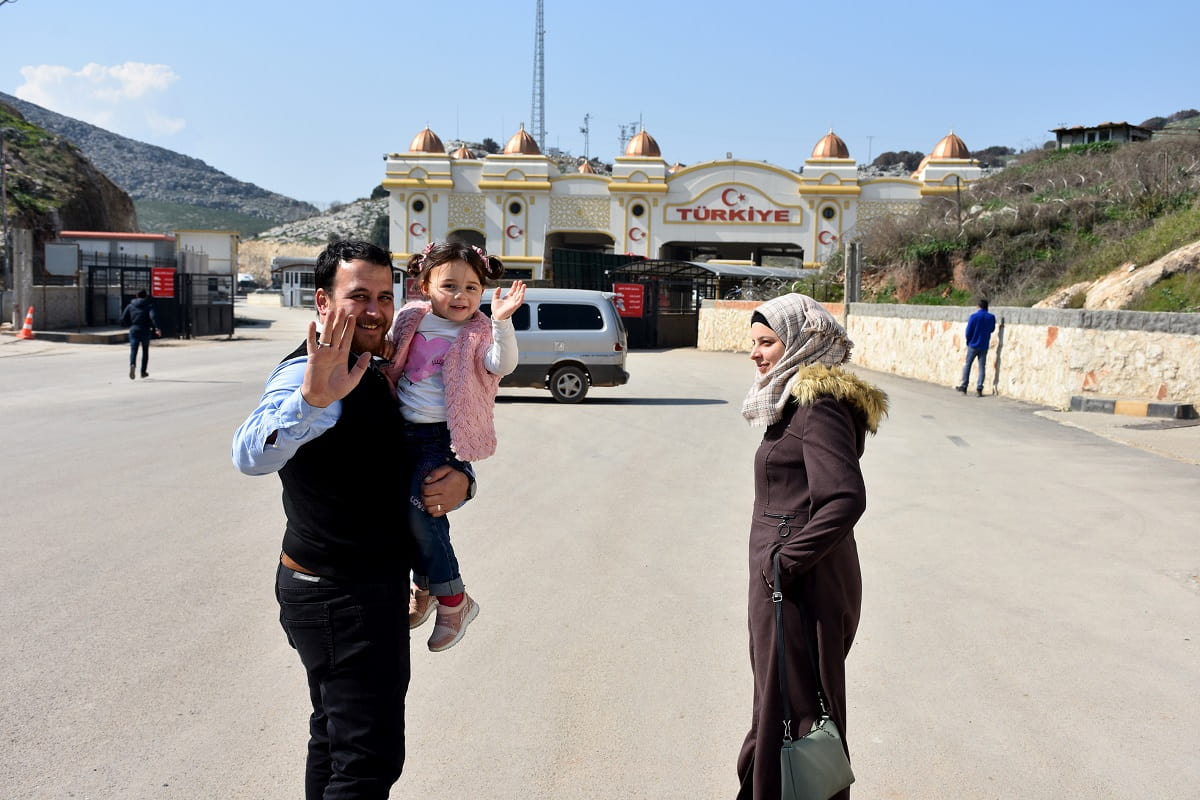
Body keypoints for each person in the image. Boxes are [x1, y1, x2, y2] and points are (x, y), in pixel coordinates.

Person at [231, 240, 474, 799]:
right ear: (323, 300)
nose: (374, 310)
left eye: (384, 296)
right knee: (368, 760)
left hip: (362, 588)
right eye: (358, 295)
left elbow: (410, 461)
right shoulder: (308, 375)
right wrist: (312, 402)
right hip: (338, 594)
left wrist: (462, 481)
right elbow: (250, 455)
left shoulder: (378, 366)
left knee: (337, 741)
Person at [736, 294, 887, 800]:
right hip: (788, 581)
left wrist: (785, 561)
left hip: (801, 586)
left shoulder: (817, 404)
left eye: (767, 342)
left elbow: (844, 497)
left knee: (798, 711)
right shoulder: (793, 400)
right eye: (753, 343)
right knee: (779, 703)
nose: (756, 353)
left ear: (801, 342)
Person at [385, 241, 526, 651]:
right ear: (424, 284)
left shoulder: (479, 331)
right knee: (407, 513)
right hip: (402, 433)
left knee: (423, 508)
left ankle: (454, 600)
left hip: (441, 437)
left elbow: (503, 365)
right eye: (449, 285)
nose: (461, 296)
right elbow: (391, 358)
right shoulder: (411, 319)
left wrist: (501, 322)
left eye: (471, 287)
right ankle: (425, 588)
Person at [955, 298, 997, 397]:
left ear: (978, 307)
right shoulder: (991, 317)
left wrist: (969, 340)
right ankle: (979, 387)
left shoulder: (974, 316)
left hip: (973, 344)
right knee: (982, 366)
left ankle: (964, 385)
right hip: (984, 344)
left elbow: (968, 331)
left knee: (968, 364)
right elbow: (992, 329)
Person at [120, 289, 160, 379]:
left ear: (136, 296)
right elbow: (153, 317)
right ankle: (143, 372)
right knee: (145, 351)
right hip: (145, 329)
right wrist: (157, 328)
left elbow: (123, 317)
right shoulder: (149, 306)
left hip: (134, 329)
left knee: (133, 350)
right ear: (146, 296)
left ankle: (132, 364)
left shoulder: (130, 306)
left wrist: (129, 325)